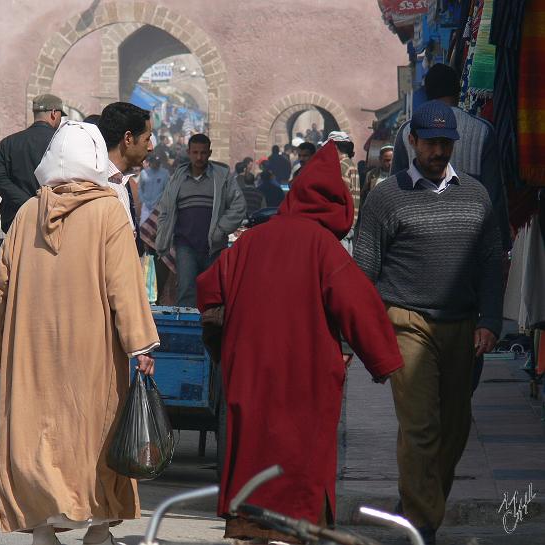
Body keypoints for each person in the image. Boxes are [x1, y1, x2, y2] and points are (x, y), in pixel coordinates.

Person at [197, 141, 403, 543]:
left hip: (251, 373)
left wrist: (224, 347)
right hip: (305, 378)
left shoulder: (251, 242)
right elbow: (360, 306)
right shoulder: (325, 248)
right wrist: (386, 363)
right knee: (299, 456)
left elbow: (208, 291)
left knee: (253, 451)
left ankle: (250, 527)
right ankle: (291, 532)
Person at [0, 120, 159, 545]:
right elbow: (125, 283)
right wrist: (141, 343)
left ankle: (43, 529)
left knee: (35, 433)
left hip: (32, 347)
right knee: (93, 431)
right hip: (91, 348)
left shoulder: (26, 214)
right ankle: (97, 527)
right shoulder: (108, 211)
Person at [354, 101, 503, 545]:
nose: (439, 151)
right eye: (431, 142)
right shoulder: (387, 196)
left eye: (446, 143)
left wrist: (490, 320)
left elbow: (492, 262)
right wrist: (362, 334)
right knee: (421, 426)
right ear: (412, 142)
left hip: (461, 324)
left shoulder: (476, 195)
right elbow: (365, 268)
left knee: (455, 430)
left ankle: (414, 503)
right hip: (406, 320)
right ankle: (422, 525)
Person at [391, 63, 511, 250]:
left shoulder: (407, 132)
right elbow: (493, 196)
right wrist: (502, 246)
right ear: (457, 90)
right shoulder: (482, 130)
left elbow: (394, 192)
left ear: (428, 94)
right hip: (470, 245)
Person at [156, 133, 246, 307]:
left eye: (203, 153)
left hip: (213, 247)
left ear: (209, 153)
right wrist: (162, 240)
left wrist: (221, 230)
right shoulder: (177, 179)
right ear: (189, 152)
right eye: (195, 152)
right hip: (185, 246)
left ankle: (209, 333)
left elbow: (239, 206)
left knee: (213, 295)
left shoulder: (221, 177)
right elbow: (165, 210)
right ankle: (187, 333)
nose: (199, 157)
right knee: (186, 293)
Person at [0, 93, 62, 233]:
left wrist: (26, 202)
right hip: (52, 219)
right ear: (53, 113)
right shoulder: (61, 142)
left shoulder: (8, 143)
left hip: (16, 218)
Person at [96, 102, 154, 236]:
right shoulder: (97, 185)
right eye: (147, 139)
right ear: (128, 138)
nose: (151, 147)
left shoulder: (120, 182)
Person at [326, 131, 359, 254]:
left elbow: (339, 196)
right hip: (348, 225)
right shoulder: (350, 164)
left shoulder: (341, 166)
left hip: (341, 226)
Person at [137, 153, 169, 225]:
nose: (156, 164)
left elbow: (166, 190)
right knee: (143, 227)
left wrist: (158, 201)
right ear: (150, 162)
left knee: (157, 228)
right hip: (146, 206)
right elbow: (140, 188)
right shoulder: (144, 173)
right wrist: (144, 201)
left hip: (158, 206)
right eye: (154, 162)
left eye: (157, 162)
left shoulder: (165, 173)